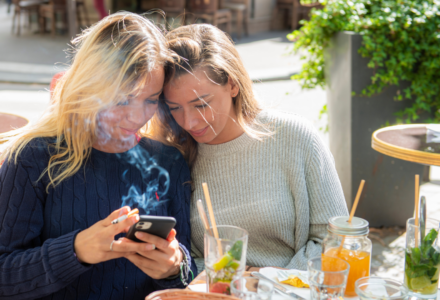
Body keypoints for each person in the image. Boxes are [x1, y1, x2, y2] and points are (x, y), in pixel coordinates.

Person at [0, 12, 196, 300]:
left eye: (151, 100)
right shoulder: (34, 158)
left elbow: (186, 280)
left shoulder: (169, 163)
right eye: (122, 99)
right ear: (91, 89)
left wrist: (174, 268)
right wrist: (77, 250)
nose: (137, 117)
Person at [148, 24, 349, 272]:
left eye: (201, 105)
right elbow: (181, 263)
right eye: (175, 108)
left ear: (232, 84)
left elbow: (336, 240)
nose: (188, 122)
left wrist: (270, 284)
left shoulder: (296, 137)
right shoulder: (171, 156)